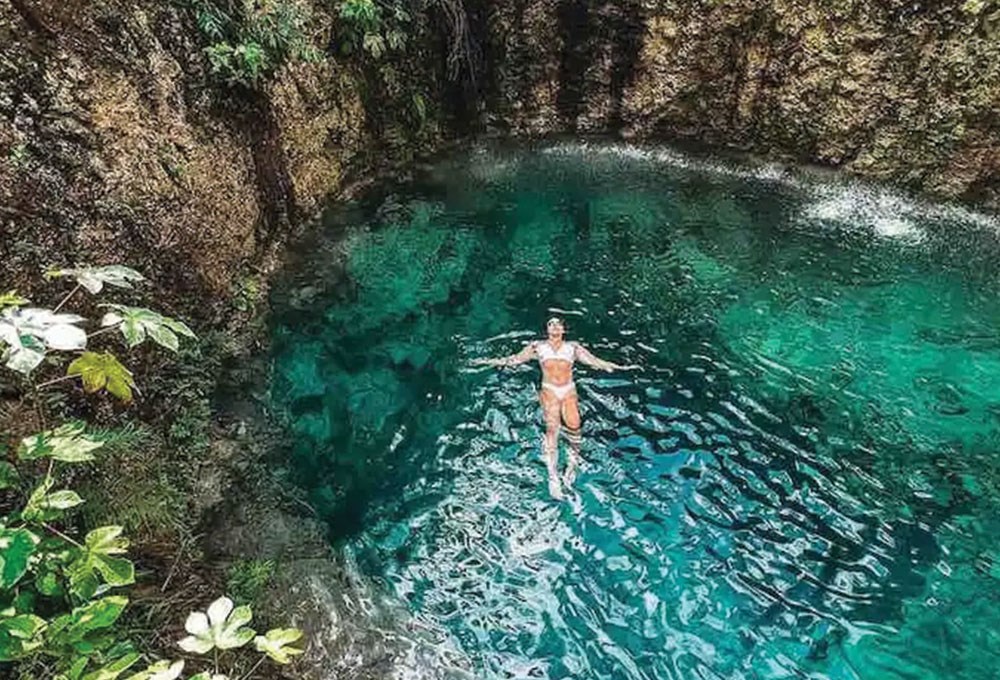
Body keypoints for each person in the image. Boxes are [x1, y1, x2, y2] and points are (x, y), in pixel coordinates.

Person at [472, 317, 639, 499]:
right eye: (551, 323)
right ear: (547, 329)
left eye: (558, 324)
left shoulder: (573, 347)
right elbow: (514, 360)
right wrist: (487, 362)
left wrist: (621, 367)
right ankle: (553, 476)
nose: (554, 326)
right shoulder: (537, 346)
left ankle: (571, 468)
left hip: (568, 390)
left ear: (563, 330)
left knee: (575, 428)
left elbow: (594, 361)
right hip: (549, 390)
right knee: (553, 430)